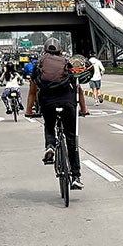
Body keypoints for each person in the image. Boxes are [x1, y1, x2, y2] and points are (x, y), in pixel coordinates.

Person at [27, 39, 84, 189]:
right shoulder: (67, 63)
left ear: (44, 51)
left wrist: (28, 111)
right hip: (67, 103)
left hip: (47, 103)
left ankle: (50, 146)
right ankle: (76, 176)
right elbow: (78, 89)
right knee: (71, 137)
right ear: (60, 51)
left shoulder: (39, 65)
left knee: (49, 126)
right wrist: (84, 110)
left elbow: (32, 91)